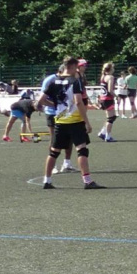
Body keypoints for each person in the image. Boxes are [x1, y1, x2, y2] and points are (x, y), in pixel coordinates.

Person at [39, 60, 101, 190]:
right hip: (75, 121)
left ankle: (47, 180)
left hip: (60, 121)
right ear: (72, 67)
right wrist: (87, 122)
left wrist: (55, 106)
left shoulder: (53, 81)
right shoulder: (74, 81)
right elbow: (78, 102)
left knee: (54, 152)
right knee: (82, 150)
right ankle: (87, 181)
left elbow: (40, 101)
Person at [96, 62, 120, 142]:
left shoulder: (103, 76)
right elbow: (110, 90)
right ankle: (108, 136)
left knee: (111, 117)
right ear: (111, 69)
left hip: (103, 99)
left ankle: (102, 132)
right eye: (113, 67)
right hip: (108, 99)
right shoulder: (110, 77)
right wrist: (116, 96)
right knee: (111, 118)